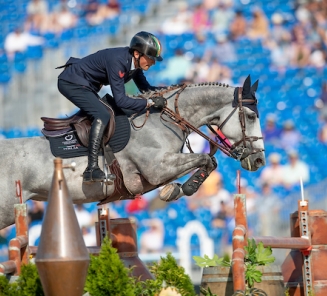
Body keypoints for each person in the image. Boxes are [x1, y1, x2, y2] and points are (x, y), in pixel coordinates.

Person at [57, 31, 166, 183]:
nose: (153, 62)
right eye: (151, 58)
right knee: (102, 114)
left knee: (107, 112)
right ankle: (91, 169)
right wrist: (150, 103)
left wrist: (168, 93)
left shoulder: (135, 65)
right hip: (71, 83)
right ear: (136, 54)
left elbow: (146, 89)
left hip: (86, 84)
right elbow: (121, 100)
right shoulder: (119, 61)